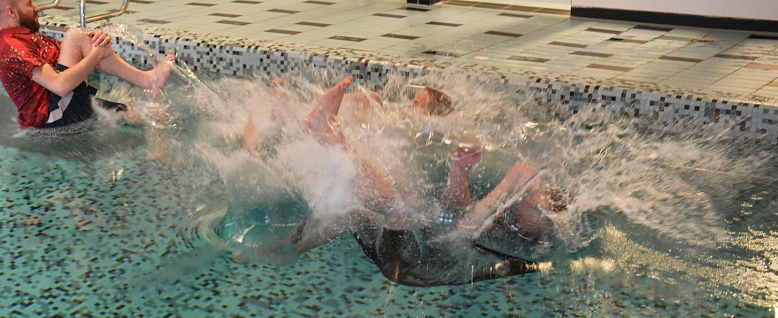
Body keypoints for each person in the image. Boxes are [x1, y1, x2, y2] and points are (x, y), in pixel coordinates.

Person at [236, 77, 570, 286]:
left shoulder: (535, 239)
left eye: (531, 201)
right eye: (529, 198)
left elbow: (463, 224)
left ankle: (327, 132)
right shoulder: (515, 218)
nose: (526, 201)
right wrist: (461, 171)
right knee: (353, 212)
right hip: (421, 249)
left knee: (400, 206)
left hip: (426, 266)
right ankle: (277, 251)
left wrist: (474, 175)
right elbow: (462, 214)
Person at [0, 0, 175, 129]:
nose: (37, 8)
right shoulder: (12, 46)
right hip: (53, 118)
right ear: (11, 12)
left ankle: (157, 152)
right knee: (75, 35)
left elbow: (76, 56)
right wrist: (95, 54)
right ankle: (147, 80)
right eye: (29, 4)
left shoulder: (26, 35)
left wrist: (98, 43)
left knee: (155, 114)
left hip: (65, 108)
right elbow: (60, 85)